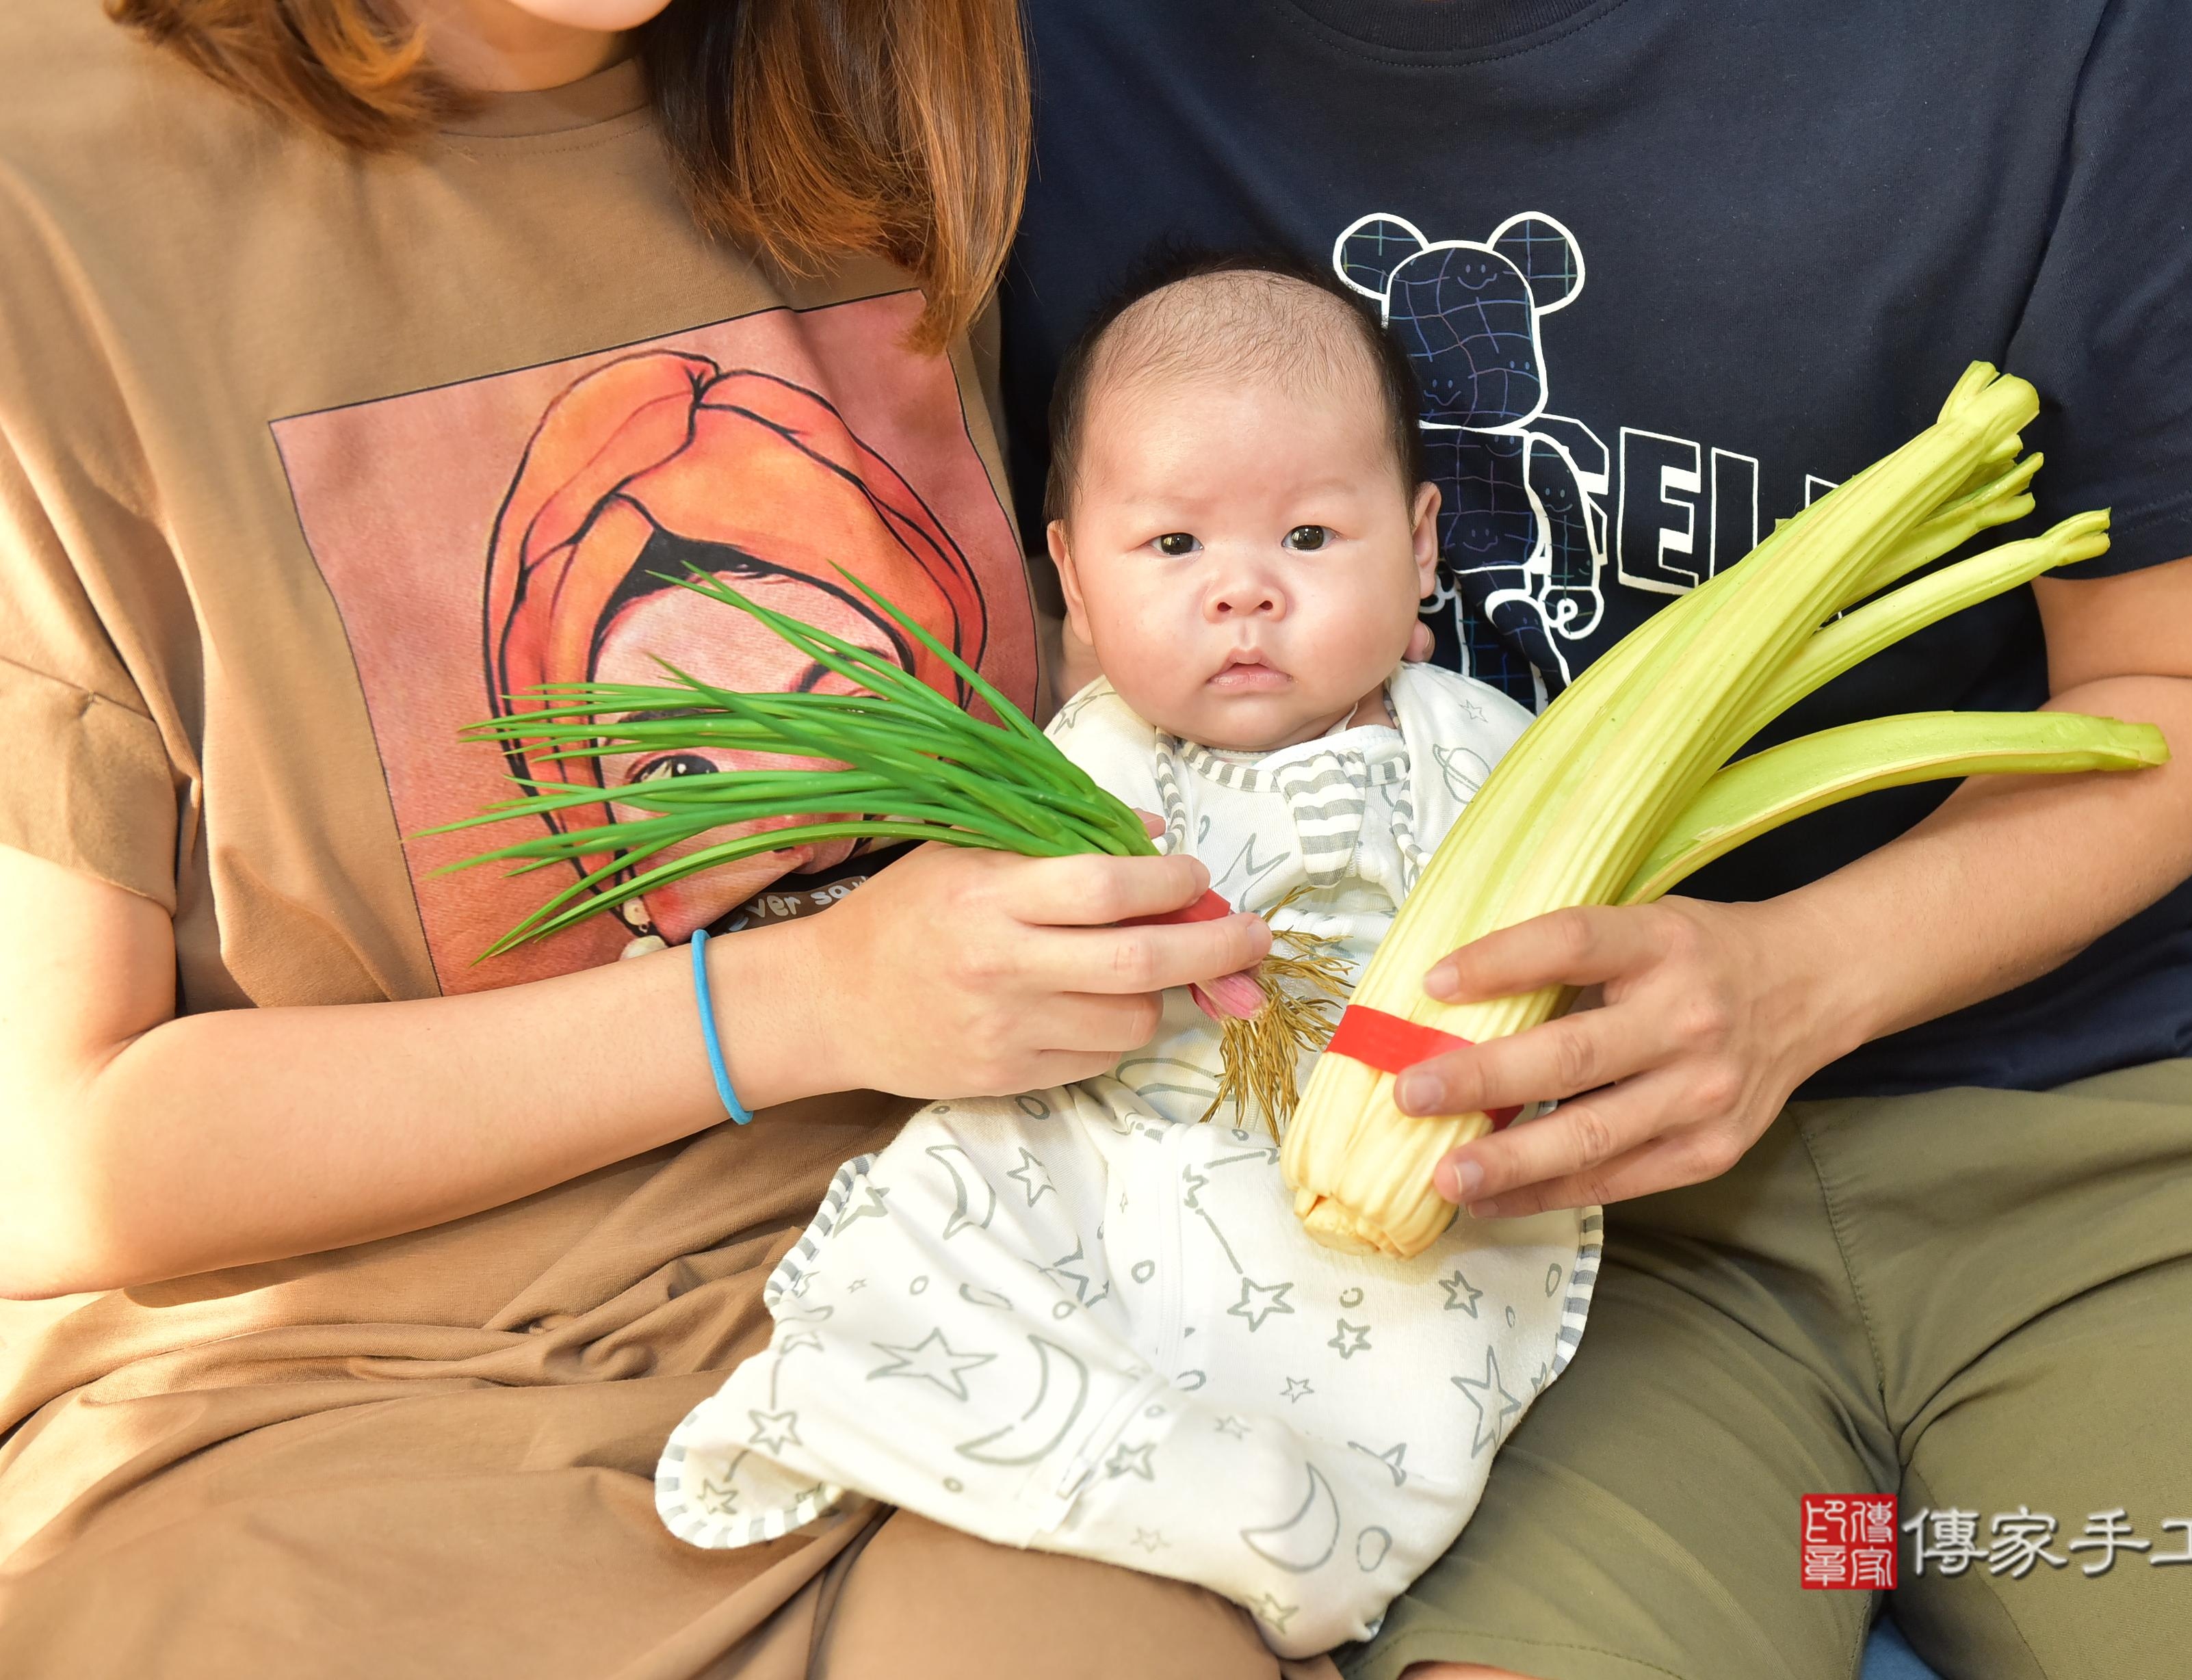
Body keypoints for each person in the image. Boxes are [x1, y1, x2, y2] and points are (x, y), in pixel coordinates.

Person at [997, 2, 2192, 1677]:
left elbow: (2179, 683)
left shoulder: (2060, 38)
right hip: (1502, 1256)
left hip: (2084, 1124)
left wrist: (1801, 975)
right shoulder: (994, 60)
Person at [0, 3, 1315, 1677]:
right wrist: (797, 1001)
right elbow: (44, 1150)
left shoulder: (894, 75)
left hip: (981, 1323)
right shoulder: (46, 188)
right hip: (331, 1415)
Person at [657, 260, 1593, 1659]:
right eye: (1173, 550)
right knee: (962, 1227)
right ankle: (962, 1415)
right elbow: (966, 955)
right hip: (1100, 1154)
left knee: (1377, 1353)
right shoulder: (1078, 774)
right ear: (1074, 584)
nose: (1244, 596)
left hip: (1357, 1182)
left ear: (1419, 550)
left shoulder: (1472, 752)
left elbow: (1554, 932)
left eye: (1310, 538)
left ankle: (1263, 1503)